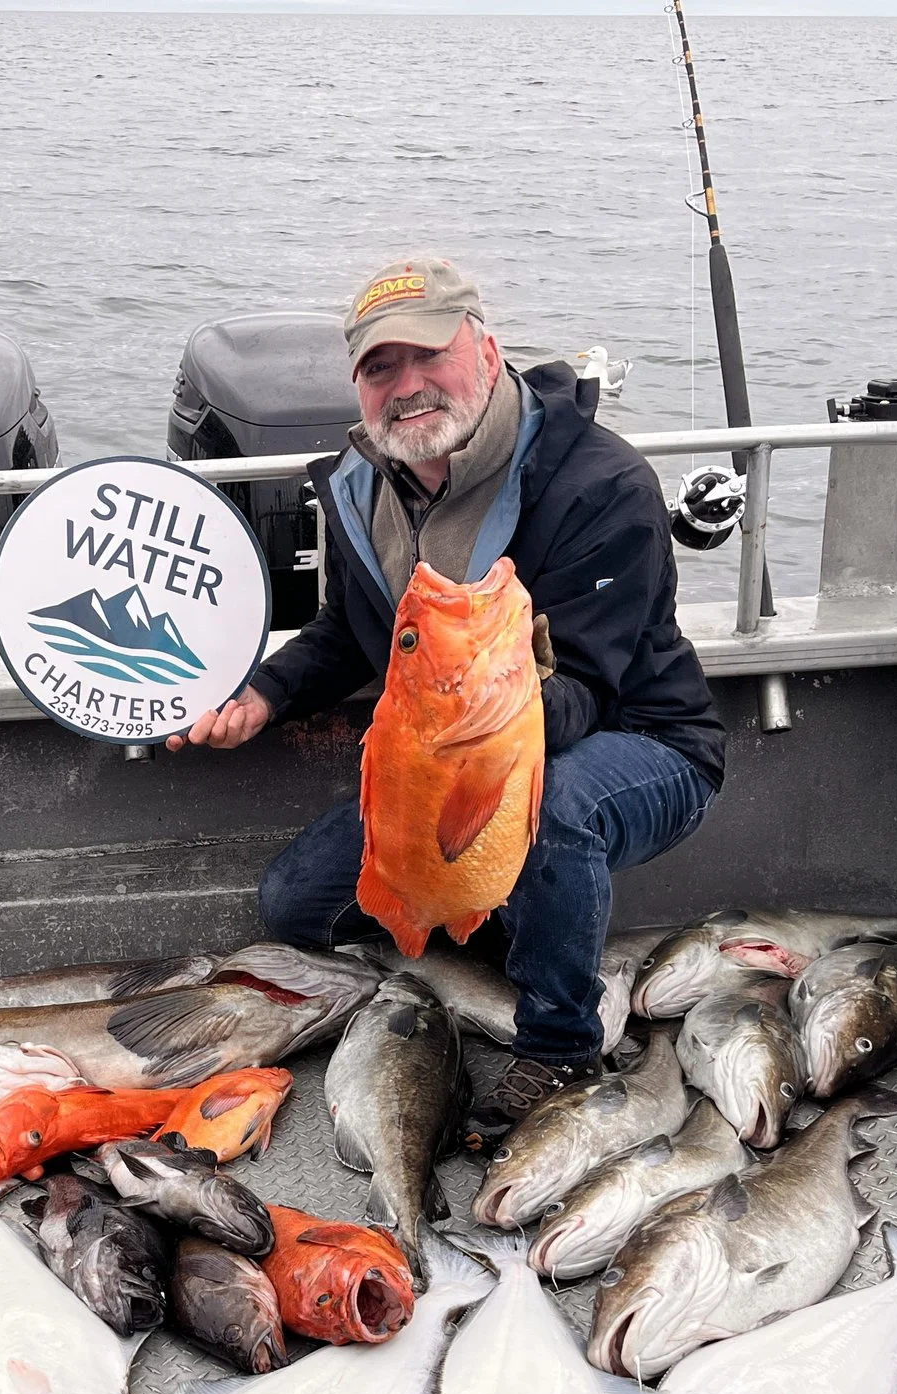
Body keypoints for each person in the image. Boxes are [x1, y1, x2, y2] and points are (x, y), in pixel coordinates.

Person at [167, 257, 725, 1135]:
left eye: (430, 356)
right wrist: (265, 695)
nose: (408, 386)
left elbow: (586, 688)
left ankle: (563, 1043)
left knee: (555, 805)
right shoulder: (359, 488)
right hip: (458, 743)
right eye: (380, 368)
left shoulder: (599, 484)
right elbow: (350, 634)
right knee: (293, 905)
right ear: (357, 387)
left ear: (490, 354)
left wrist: (474, 736)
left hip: (643, 739)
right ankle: (513, 923)